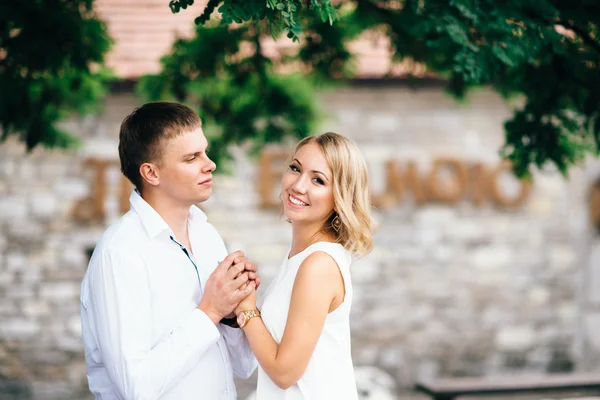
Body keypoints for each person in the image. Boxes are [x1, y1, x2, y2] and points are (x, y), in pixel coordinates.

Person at [80, 101, 259, 400]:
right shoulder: (120, 253)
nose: (210, 164)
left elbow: (243, 367)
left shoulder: (206, 234)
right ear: (151, 173)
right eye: (192, 158)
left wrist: (235, 311)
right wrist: (210, 310)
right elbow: (135, 388)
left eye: (205, 151)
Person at [233, 132, 374, 399]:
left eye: (318, 180)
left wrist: (247, 308)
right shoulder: (303, 256)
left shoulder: (318, 264)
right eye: (295, 168)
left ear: (340, 196)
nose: (298, 185)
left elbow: (285, 373)